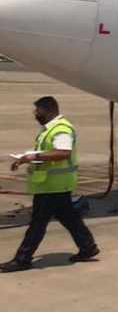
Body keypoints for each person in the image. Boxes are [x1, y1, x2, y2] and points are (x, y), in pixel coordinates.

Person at [1, 97, 99, 272]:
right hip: (52, 184)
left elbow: (62, 153)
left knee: (38, 222)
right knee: (69, 218)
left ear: (48, 110)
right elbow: (48, 152)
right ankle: (88, 247)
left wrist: (34, 157)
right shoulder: (50, 129)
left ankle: (22, 259)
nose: (35, 114)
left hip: (53, 185)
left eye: (38, 111)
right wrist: (24, 159)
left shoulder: (61, 129)